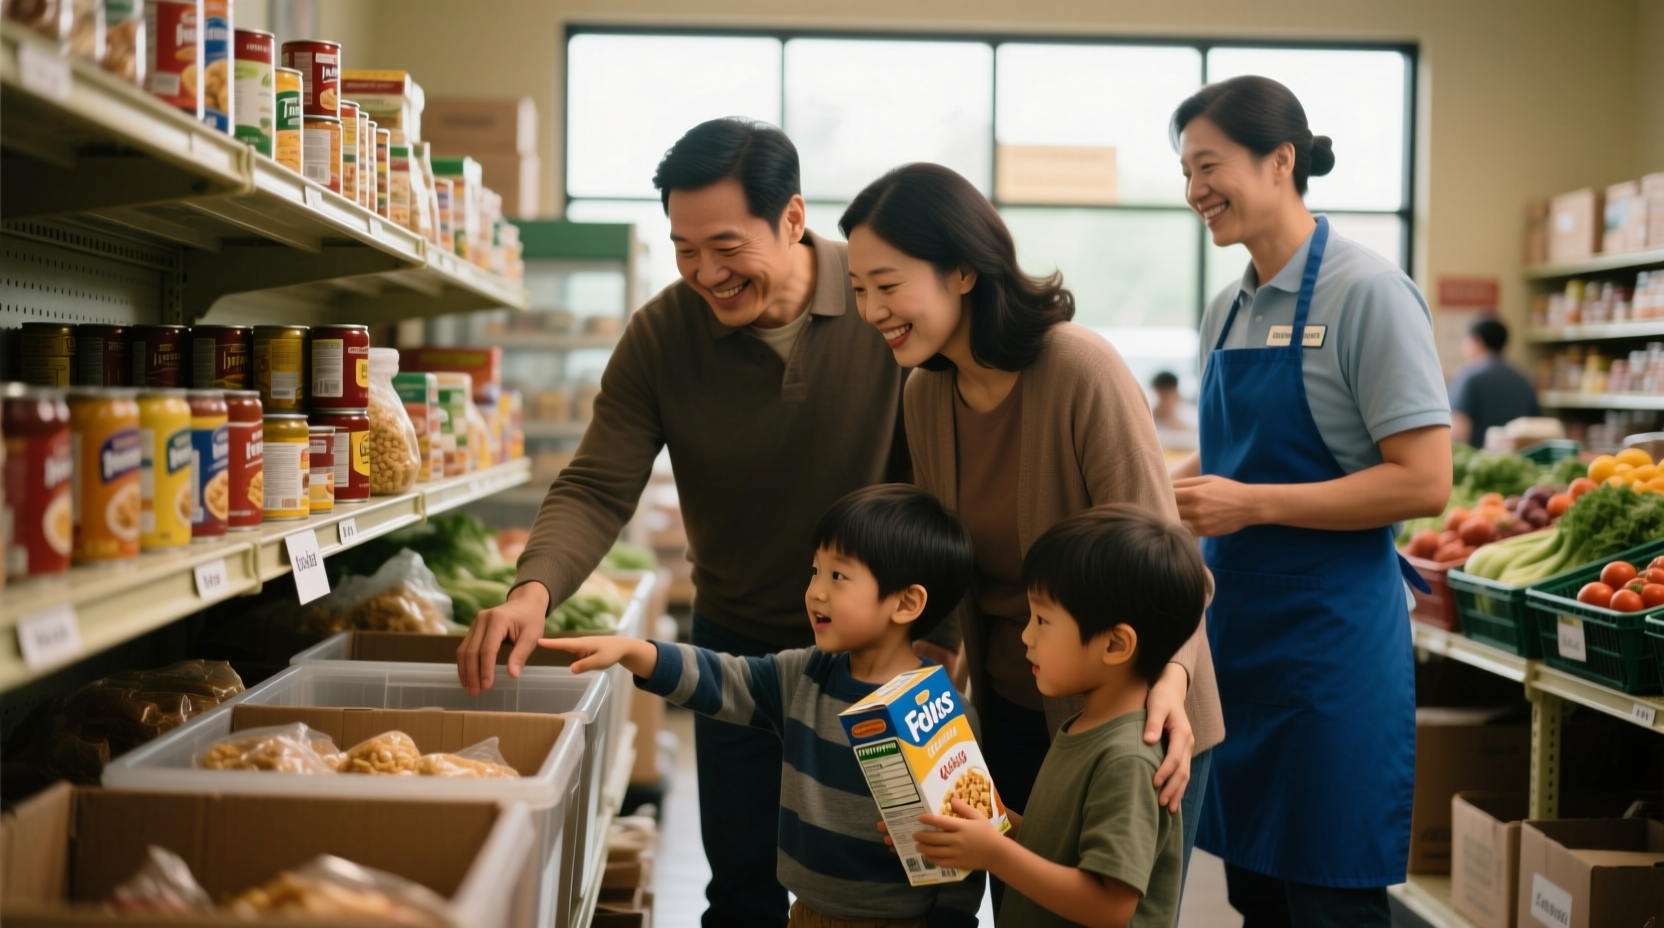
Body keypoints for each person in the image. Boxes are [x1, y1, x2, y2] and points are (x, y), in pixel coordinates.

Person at [457, 118, 940, 928]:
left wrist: (943, 639)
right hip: (737, 643)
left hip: (883, 655)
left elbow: (945, 485)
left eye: (726, 246)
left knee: (900, 889)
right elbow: (598, 482)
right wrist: (531, 590)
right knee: (742, 887)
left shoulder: (879, 309)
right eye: (685, 249)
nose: (706, 273)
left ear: (792, 219)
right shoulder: (662, 334)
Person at [840, 163, 1223, 907]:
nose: (870, 310)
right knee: (1023, 908)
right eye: (857, 290)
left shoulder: (1080, 369)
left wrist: (1171, 683)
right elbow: (964, 570)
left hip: (1135, 713)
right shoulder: (925, 393)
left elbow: (1171, 563)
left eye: (887, 286)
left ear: (961, 272)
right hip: (1016, 701)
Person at [1169, 76, 1452, 926]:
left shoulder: (1368, 292)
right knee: (1255, 892)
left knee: (1328, 896)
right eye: (1184, 172)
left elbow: (1423, 481)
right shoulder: (1227, 307)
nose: (1194, 192)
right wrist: (1146, 487)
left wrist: (1251, 505)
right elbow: (1226, 457)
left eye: (1209, 166)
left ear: (1281, 160)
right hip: (1239, 640)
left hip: (1331, 652)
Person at [538, 485, 982, 928]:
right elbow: (721, 677)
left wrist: (953, 919)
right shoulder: (804, 676)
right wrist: (636, 651)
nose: (815, 593)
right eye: (815, 571)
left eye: (838, 576)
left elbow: (966, 842)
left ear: (906, 603)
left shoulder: (941, 712)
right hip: (806, 914)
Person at [907, 505, 1208, 928]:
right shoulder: (1085, 727)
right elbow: (1058, 846)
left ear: (1116, 644)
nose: (1026, 635)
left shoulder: (1127, 760)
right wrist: (988, 824)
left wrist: (993, 853)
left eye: (1043, 620)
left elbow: (1109, 906)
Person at [1447, 318, 1540, 446]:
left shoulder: (1469, 376)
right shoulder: (1523, 379)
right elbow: (1536, 426)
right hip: (1515, 461)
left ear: (1477, 341)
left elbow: (1458, 430)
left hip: (1477, 462)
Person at [1150, 371, 1199, 451]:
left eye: (1165, 395)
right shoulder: (1147, 417)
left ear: (1176, 394)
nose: (1160, 401)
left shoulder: (1189, 415)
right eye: (1158, 395)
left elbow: (1194, 442)